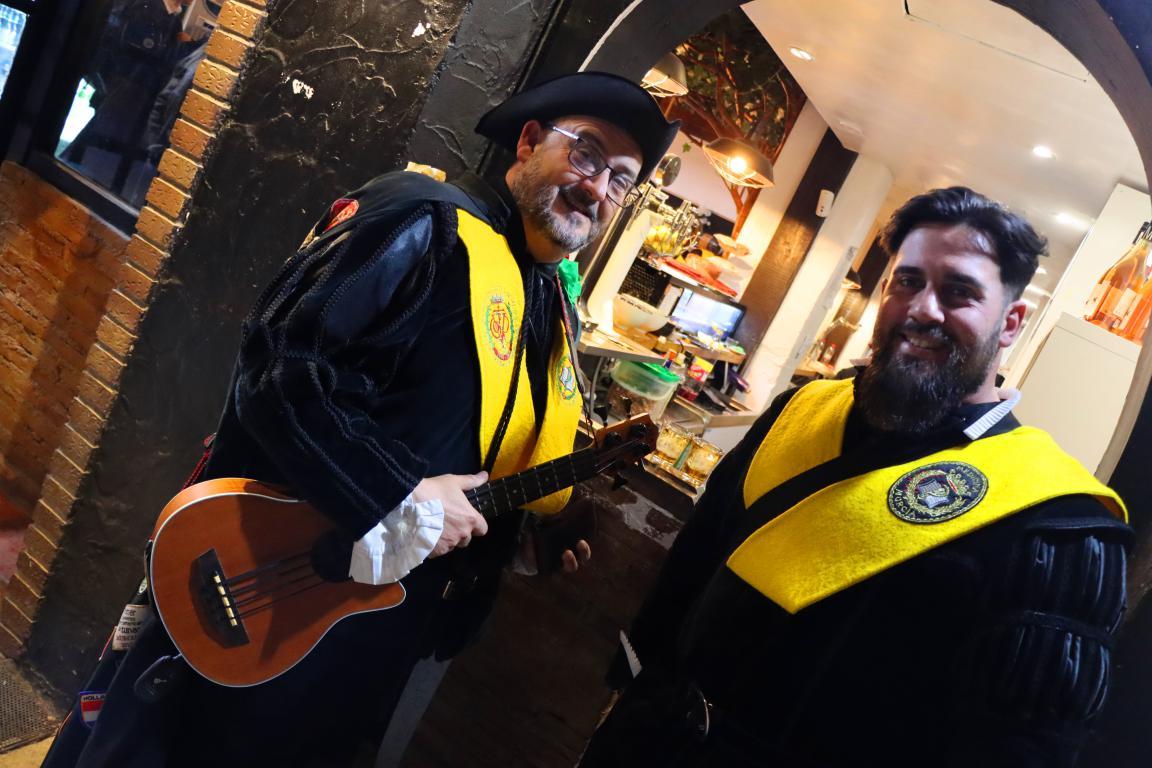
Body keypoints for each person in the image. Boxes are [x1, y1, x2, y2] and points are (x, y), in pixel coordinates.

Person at [43, 71, 679, 767]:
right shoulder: (423, 221)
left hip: (376, 630)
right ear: (528, 141)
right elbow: (283, 367)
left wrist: (515, 542)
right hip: (264, 586)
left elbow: (467, 459)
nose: (597, 188)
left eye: (621, 179)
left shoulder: (552, 304)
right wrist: (398, 490)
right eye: (586, 153)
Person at [580, 187, 1132, 768]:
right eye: (908, 281)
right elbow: (692, 564)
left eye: (959, 292)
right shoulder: (801, 408)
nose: (923, 309)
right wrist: (626, 692)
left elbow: (1023, 748)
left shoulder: (1060, 524)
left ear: (1011, 322)